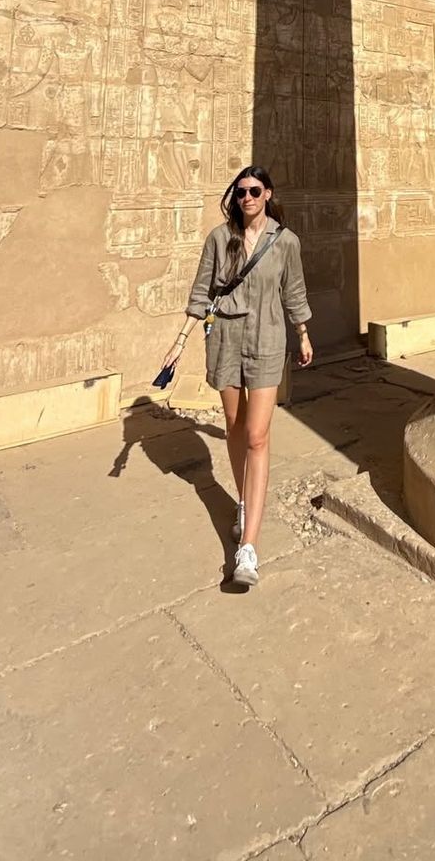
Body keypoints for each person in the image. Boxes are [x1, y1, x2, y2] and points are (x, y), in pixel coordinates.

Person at [159, 166, 312, 587]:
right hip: (225, 337)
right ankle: (245, 501)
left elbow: (293, 291)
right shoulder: (219, 238)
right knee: (235, 425)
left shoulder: (285, 241)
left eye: (254, 191)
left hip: (267, 338)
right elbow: (201, 292)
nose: (247, 198)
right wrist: (179, 342)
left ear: (268, 194)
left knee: (258, 436)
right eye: (240, 192)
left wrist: (302, 333)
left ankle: (248, 549)